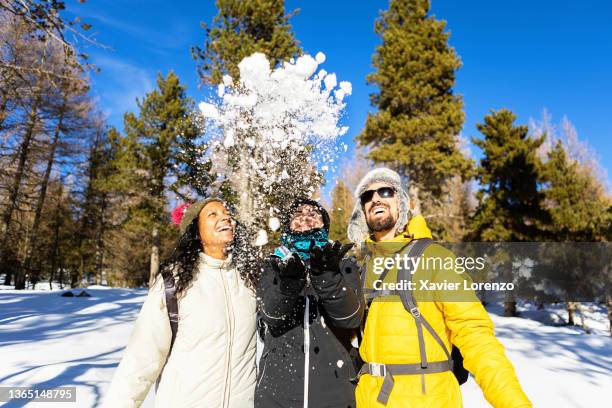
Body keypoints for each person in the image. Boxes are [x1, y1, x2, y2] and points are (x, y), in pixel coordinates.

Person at [347, 168, 532, 408]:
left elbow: (475, 336)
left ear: (401, 202)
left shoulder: (435, 259)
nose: (375, 198)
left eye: (385, 191)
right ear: (361, 211)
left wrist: (514, 403)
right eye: (367, 196)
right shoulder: (363, 269)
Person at [104, 198, 260, 408]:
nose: (225, 217)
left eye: (226, 213)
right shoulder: (173, 282)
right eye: (212, 214)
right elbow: (142, 357)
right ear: (195, 230)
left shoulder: (250, 279)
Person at [256, 198, 364, 408]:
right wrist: (289, 284)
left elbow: (350, 319)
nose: (304, 218)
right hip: (277, 395)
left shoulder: (343, 264)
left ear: (324, 225)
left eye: (313, 215)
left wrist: (326, 275)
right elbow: (272, 317)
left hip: (335, 393)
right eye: (297, 215)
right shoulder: (272, 265)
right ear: (287, 226)